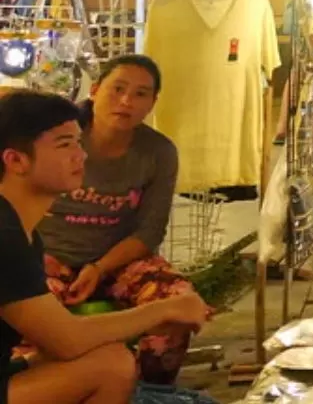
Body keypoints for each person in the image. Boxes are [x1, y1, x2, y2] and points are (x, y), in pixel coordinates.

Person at [0, 91, 210, 404]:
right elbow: (68, 340)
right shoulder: (5, 236)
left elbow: (60, 342)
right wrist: (165, 309)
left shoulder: (23, 231)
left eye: (78, 143)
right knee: (109, 367)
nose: (80, 156)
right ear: (15, 160)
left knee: (106, 356)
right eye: (64, 145)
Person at [35, 58, 197, 385]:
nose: (126, 101)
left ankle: (150, 389)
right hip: (45, 256)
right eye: (118, 89)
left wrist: (99, 268)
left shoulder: (158, 152)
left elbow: (150, 231)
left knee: (177, 301)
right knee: (30, 317)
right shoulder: (55, 136)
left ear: (152, 104)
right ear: (94, 90)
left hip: (118, 261)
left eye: (140, 94)